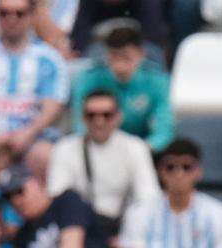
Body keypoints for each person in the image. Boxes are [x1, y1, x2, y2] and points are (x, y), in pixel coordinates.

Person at [0, 0, 67, 181]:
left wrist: (27, 133)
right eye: (4, 13)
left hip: (34, 134)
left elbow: (53, 107)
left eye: (19, 13)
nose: (11, 19)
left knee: (44, 154)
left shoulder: (50, 58)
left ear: (31, 16)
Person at [47, 88, 157, 225]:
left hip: (124, 227)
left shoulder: (136, 147)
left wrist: (130, 231)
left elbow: (148, 196)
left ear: (119, 117)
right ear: (82, 117)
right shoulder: (65, 147)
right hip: (81, 228)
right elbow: (57, 193)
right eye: (91, 115)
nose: (99, 121)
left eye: (107, 115)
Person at [67, 23, 171, 153]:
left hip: (142, 147)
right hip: (97, 147)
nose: (120, 66)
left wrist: (141, 151)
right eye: (114, 57)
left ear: (141, 55)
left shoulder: (158, 81)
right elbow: (80, 123)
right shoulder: (89, 78)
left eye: (126, 58)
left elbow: (163, 128)